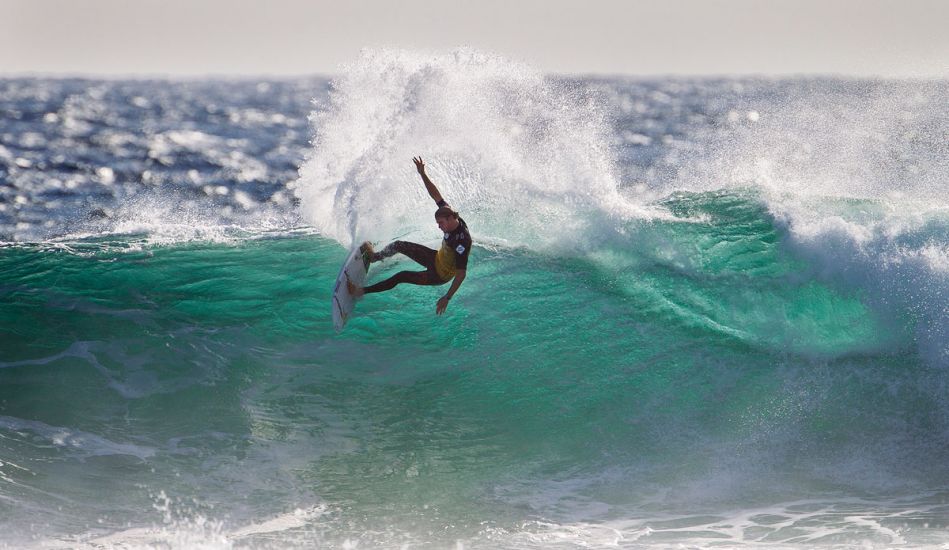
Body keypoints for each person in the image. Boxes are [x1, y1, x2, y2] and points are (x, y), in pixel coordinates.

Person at [348, 156, 471, 315]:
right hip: (436, 258)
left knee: (401, 276)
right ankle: (373, 257)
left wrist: (447, 298)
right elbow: (436, 195)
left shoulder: (462, 241)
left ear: (450, 219)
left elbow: (461, 274)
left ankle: (360, 291)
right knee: (399, 245)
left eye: (440, 223)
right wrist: (422, 174)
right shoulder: (449, 213)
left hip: (439, 275)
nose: (438, 226)